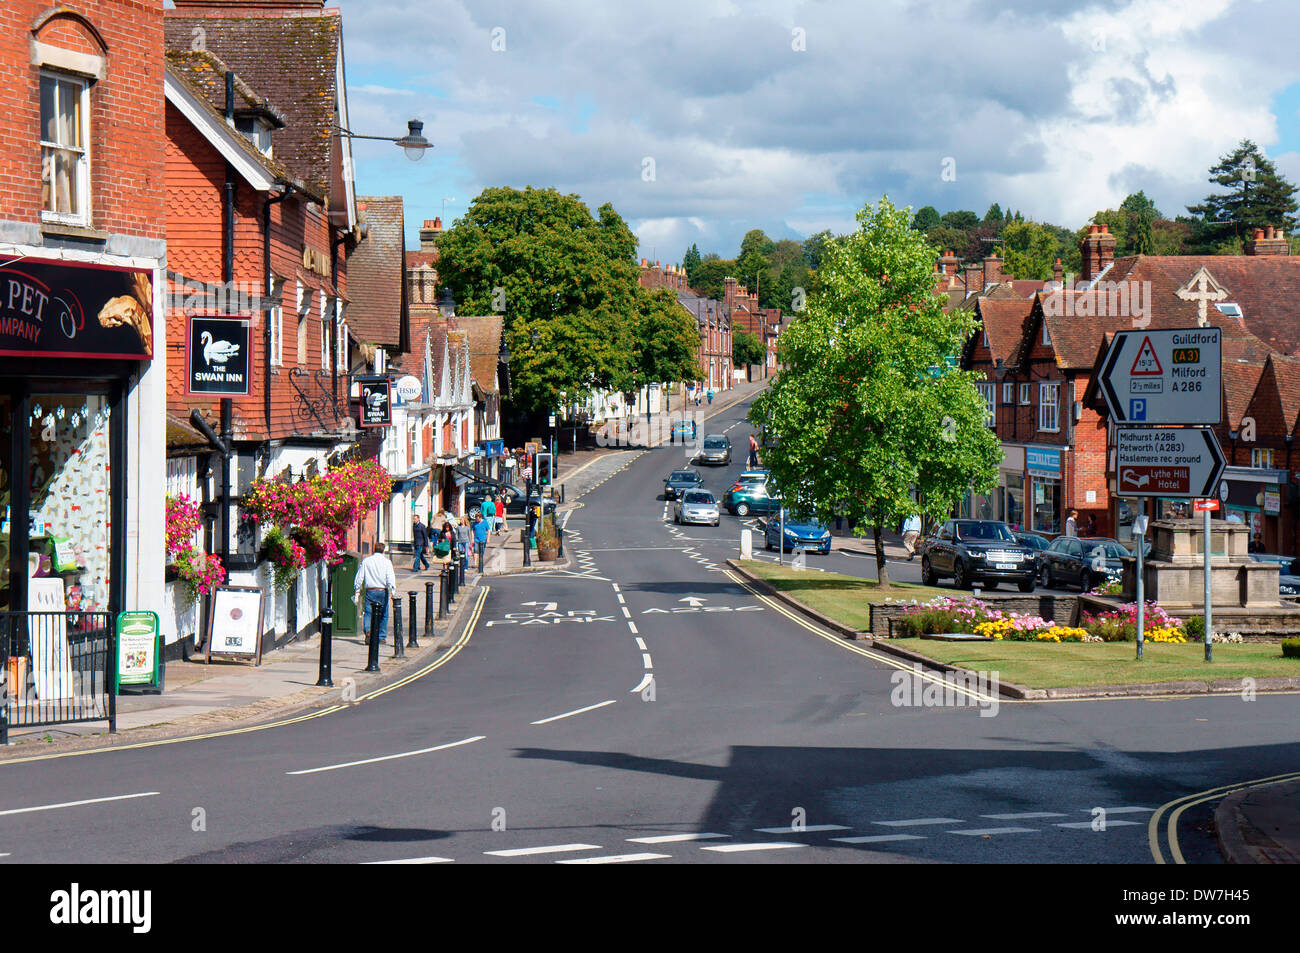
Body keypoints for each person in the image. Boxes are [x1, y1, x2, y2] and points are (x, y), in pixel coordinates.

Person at [353, 542, 396, 644]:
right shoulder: (387, 562)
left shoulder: (366, 561)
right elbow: (390, 577)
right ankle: (381, 637)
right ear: (383, 550)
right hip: (382, 591)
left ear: (374, 550)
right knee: (384, 614)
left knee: (368, 613)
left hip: (370, 591)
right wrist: (392, 590)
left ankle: (368, 631)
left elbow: (359, 577)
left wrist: (357, 590)